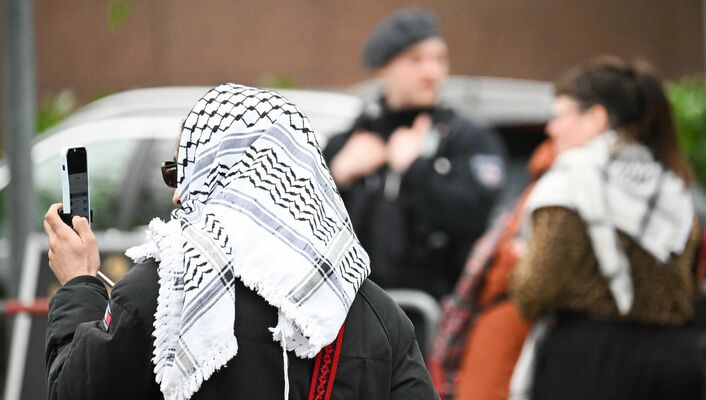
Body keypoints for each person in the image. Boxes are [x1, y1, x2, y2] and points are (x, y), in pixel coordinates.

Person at [44, 84, 439, 400]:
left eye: (182, 172)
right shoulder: (375, 315)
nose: (177, 195)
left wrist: (79, 284)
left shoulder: (164, 294)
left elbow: (75, 392)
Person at [509, 57, 705, 400]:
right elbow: (691, 277)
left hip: (592, 365)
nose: (551, 129)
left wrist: (519, 266)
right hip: (676, 359)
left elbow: (536, 288)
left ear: (596, 118)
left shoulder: (567, 184)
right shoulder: (671, 185)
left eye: (560, 115)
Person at [323, 8, 507, 299]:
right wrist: (337, 177)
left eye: (439, 59)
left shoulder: (467, 140)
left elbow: (474, 216)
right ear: (382, 68)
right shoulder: (346, 144)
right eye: (415, 60)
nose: (431, 72)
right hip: (353, 308)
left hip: (436, 313)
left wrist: (415, 168)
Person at [428, 140, 555, 400]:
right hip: (508, 320)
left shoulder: (554, 182)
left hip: (508, 320)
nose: (555, 127)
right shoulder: (551, 181)